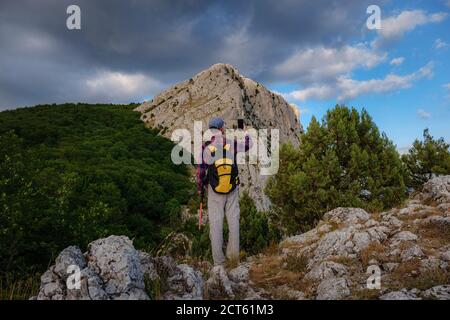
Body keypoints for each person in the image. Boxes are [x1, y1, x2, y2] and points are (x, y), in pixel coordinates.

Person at [197, 117, 252, 265]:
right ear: (221, 129)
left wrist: (200, 187)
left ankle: (219, 263)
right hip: (232, 189)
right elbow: (248, 145)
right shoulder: (231, 143)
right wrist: (245, 132)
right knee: (233, 221)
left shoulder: (206, 147)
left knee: (216, 224)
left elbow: (201, 171)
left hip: (214, 190)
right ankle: (233, 257)